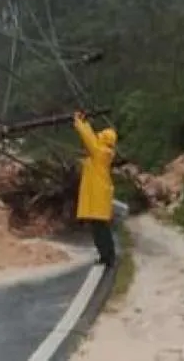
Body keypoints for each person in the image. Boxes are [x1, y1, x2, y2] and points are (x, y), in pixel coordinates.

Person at [72, 110, 117, 268]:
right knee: (99, 229)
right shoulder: (102, 152)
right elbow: (91, 138)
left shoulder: (100, 152)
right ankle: (106, 256)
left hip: (97, 196)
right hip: (97, 196)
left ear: (103, 139)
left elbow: (88, 139)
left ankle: (108, 257)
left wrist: (79, 122)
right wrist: (85, 123)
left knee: (101, 230)